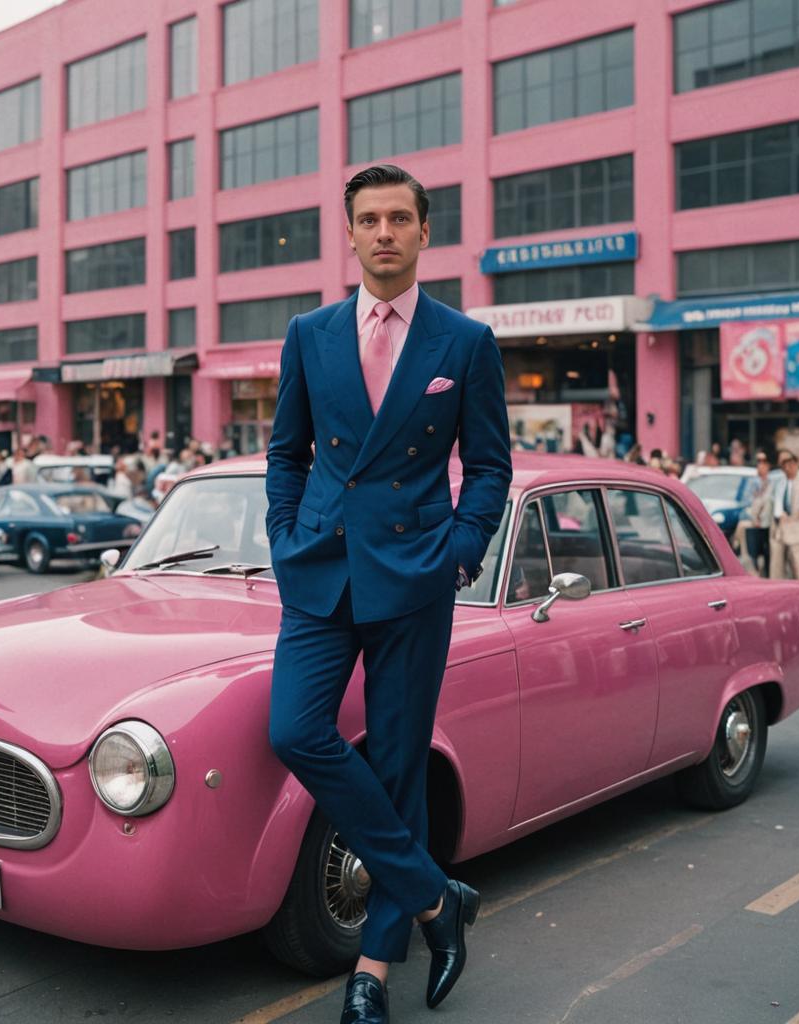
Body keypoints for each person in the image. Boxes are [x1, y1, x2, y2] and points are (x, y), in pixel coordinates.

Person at [265, 164, 511, 1024]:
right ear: (348, 231)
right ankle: (438, 902)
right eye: (368, 218)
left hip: (415, 575)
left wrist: (461, 549)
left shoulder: (464, 342)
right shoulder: (310, 333)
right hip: (321, 569)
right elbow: (285, 452)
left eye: (399, 218)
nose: (383, 232)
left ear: (423, 233)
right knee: (293, 727)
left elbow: (488, 469)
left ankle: (369, 972)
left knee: (401, 765)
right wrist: (285, 533)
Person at [766, 449, 799, 582]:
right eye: (783, 464)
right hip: (779, 532)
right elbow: (774, 504)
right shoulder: (780, 483)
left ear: (796, 463)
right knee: (777, 573)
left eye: (789, 462)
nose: (786, 466)